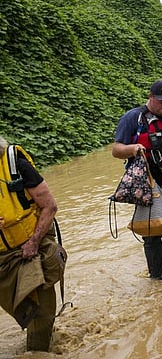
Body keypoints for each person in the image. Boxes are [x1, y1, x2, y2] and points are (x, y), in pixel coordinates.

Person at [112, 80, 162, 280]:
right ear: (151, 97)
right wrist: (132, 149)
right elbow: (116, 150)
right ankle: (157, 278)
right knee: (151, 233)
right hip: (147, 183)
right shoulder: (134, 118)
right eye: (161, 101)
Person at [0, 136, 66, 352]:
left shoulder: (15, 164)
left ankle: (38, 352)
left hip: (30, 245)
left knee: (42, 306)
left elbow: (50, 206)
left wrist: (34, 242)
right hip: (3, 257)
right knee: (22, 305)